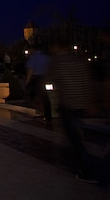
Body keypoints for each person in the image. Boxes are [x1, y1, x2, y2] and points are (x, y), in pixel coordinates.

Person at [47, 39, 97, 183]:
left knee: (75, 138)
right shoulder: (80, 62)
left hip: (68, 104)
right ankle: (71, 157)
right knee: (74, 134)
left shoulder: (56, 63)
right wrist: (91, 102)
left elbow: (48, 81)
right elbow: (88, 81)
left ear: (57, 47)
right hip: (81, 103)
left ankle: (88, 171)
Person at [25, 44, 52, 122]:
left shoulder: (33, 57)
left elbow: (30, 69)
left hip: (37, 79)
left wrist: (27, 80)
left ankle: (41, 110)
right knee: (45, 97)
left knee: (33, 96)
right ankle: (48, 115)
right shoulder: (46, 57)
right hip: (46, 78)